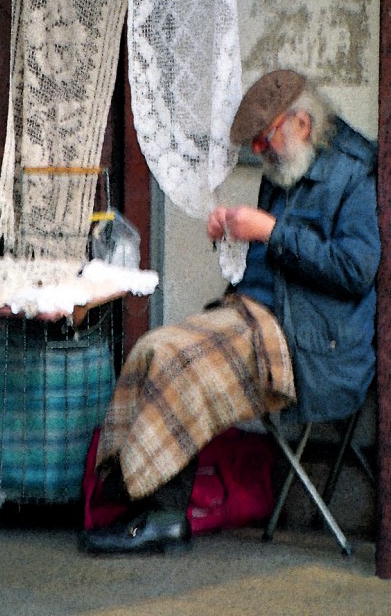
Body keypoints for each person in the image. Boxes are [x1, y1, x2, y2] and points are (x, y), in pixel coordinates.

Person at [79, 69, 380, 555]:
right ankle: (125, 493)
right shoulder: (289, 165)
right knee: (155, 347)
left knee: (184, 363)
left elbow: (355, 270)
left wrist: (270, 231)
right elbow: (272, 260)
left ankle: (164, 517)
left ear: (301, 123)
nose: (259, 153)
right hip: (263, 315)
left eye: (265, 140)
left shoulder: (357, 172)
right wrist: (236, 235)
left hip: (316, 345)